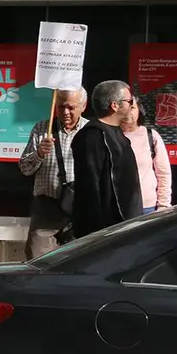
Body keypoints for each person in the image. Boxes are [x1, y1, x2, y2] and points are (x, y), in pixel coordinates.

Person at [18, 88, 88, 258]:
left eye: (71, 107)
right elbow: (25, 169)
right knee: (38, 262)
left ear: (83, 106)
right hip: (46, 210)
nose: (65, 112)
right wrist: (39, 154)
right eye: (61, 107)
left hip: (78, 210)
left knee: (76, 263)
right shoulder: (43, 128)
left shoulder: (90, 130)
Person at [72, 80, 144, 237]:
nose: (133, 105)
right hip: (107, 233)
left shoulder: (118, 134)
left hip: (126, 226)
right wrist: (96, 235)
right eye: (129, 101)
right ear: (114, 105)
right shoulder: (92, 136)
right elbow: (89, 189)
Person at [121, 102, 172, 215]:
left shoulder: (151, 136)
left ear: (140, 110)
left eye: (132, 108)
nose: (128, 112)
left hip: (148, 207)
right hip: (119, 207)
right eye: (124, 108)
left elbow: (163, 173)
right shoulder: (110, 135)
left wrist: (163, 205)